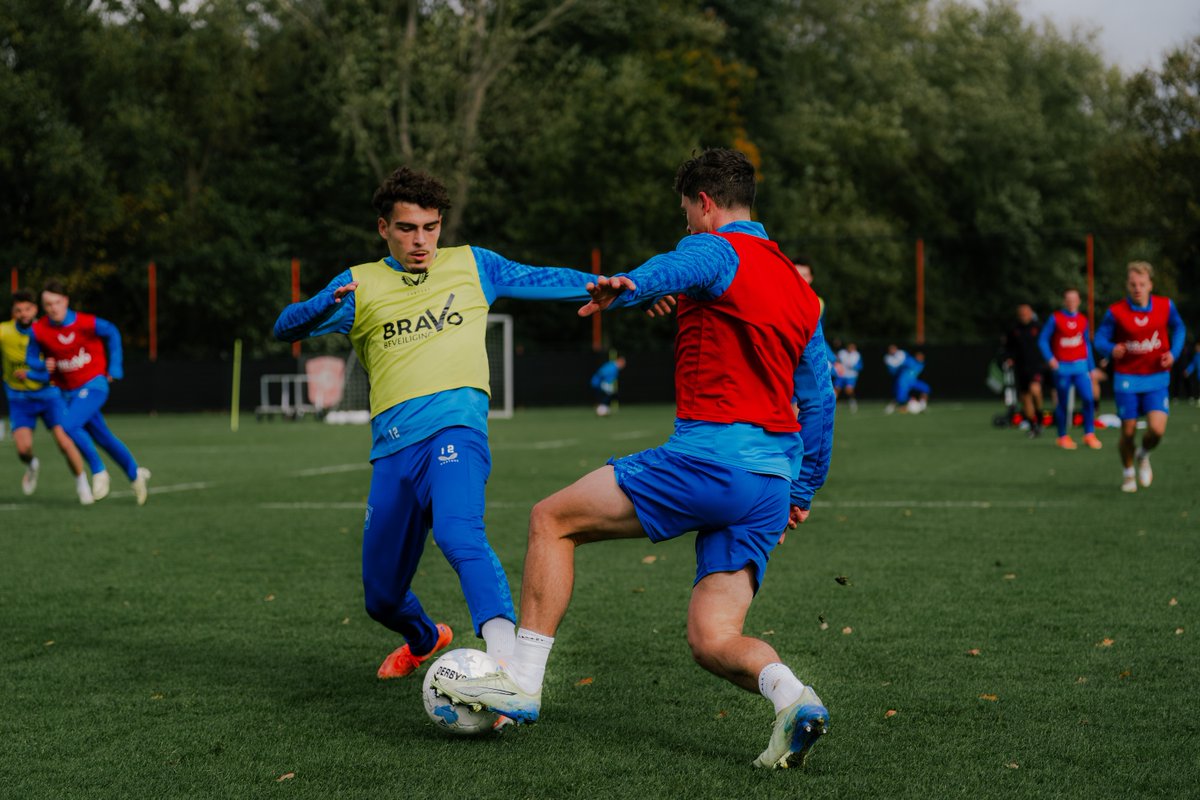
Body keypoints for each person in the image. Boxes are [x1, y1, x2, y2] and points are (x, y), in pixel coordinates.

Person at [434, 148, 835, 770]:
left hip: (711, 461)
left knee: (551, 520)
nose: (686, 224)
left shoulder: (716, 249)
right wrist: (804, 490)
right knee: (714, 638)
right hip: (771, 483)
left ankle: (523, 685)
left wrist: (628, 286)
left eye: (685, 212)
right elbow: (819, 399)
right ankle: (794, 699)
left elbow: (678, 264)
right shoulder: (800, 291)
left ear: (705, 202)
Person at [273, 166, 645, 681]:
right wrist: (321, 304)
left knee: (458, 532)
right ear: (384, 228)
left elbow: (544, 279)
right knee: (381, 597)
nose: (421, 239)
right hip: (393, 451)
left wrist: (627, 288)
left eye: (430, 226)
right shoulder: (357, 283)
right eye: (407, 228)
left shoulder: (474, 264)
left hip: (456, 431)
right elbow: (284, 326)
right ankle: (426, 637)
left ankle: (508, 668)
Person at [25, 280, 150, 505]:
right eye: (48, 304)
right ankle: (135, 474)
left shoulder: (86, 323)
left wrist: (115, 367)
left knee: (68, 425)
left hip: (94, 385)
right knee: (103, 437)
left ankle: (99, 470)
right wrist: (42, 365)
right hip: (67, 391)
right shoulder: (39, 330)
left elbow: (112, 331)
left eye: (57, 302)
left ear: (66, 301)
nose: (53, 308)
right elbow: (30, 357)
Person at [1093, 261, 1187, 493]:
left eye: (1142, 284)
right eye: (1133, 284)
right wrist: (1110, 349)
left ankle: (1143, 454)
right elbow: (1099, 340)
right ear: (1127, 284)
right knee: (1128, 431)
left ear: (1150, 285)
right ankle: (1128, 474)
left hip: (1156, 378)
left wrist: (1173, 354)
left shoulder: (1165, 306)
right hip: (1127, 378)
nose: (1137, 288)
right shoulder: (1115, 312)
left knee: (1156, 430)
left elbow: (1180, 328)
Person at [2, 290, 94, 504]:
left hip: (50, 395)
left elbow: (58, 366)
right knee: (23, 449)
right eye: (18, 310)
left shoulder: (46, 331)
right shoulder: (4, 332)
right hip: (20, 399)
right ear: (13, 312)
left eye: (28, 309)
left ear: (35, 309)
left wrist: (36, 372)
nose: (23, 314)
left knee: (64, 442)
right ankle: (31, 464)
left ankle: (82, 483)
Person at [1038, 288, 1102, 450]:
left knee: (1088, 399)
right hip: (1063, 368)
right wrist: (1050, 358)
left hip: (1080, 367)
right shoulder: (1055, 319)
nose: (1071, 302)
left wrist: (1091, 367)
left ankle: (1089, 434)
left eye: (1074, 299)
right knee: (1063, 403)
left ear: (1079, 301)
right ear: (1064, 301)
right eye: (1068, 299)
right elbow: (1043, 340)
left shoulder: (1083, 320)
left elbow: (1086, 343)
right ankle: (1062, 436)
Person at [1003, 304, 1048, 437]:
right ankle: (1033, 425)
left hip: (1036, 367)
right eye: (1021, 314)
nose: (1024, 316)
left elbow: (1046, 344)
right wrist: (1009, 358)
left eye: (1026, 313)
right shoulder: (1014, 329)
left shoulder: (1038, 327)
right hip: (1021, 368)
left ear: (1031, 313)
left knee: (1035, 390)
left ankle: (1039, 416)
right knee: (1026, 398)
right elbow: (1008, 348)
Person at [883, 345, 929, 414]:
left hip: (912, 381)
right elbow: (898, 366)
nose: (920, 357)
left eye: (921, 356)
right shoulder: (909, 360)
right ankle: (895, 407)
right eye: (919, 356)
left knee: (926, 388)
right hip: (904, 382)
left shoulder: (921, 364)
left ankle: (922, 406)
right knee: (900, 398)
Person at [834, 342, 862, 412]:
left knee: (849, 390)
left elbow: (860, 366)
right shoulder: (842, 353)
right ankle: (832, 404)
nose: (851, 349)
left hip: (851, 375)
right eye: (850, 347)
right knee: (836, 389)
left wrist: (854, 367)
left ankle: (852, 401)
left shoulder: (857, 355)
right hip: (841, 374)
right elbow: (835, 359)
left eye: (853, 348)